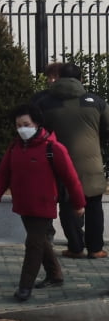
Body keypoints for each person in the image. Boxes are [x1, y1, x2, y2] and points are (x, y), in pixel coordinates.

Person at [0, 103, 85, 301]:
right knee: (38, 240)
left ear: (37, 124)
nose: (22, 129)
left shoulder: (53, 148)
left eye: (26, 124)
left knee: (33, 244)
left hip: (43, 204)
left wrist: (78, 203)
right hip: (23, 204)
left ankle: (25, 286)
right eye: (18, 125)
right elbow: (4, 173)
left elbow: (71, 178)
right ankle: (55, 275)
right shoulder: (15, 147)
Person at [33, 62, 109, 259]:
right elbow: (106, 128)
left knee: (66, 205)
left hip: (58, 162)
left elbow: (37, 131)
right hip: (91, 164)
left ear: (58, 78)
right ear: (81, 79)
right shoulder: (96, 102)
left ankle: (75, 247)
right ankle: (95, 249)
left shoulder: (43, 102)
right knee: (93, 205)